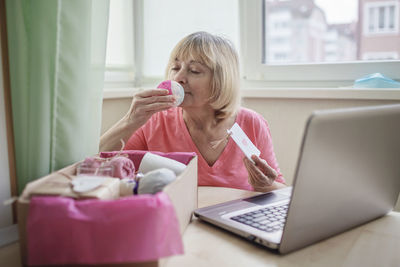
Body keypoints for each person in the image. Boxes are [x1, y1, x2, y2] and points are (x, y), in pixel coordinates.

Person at [100, 31, 286, 192]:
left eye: (194, 71)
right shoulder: (154, 121)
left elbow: (280, 188)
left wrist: (266, 185)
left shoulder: (252, 123)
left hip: (235, 227)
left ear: (221, 81)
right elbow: (96, 164)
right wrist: (130, 120)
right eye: (175, 68)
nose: (179, 77)